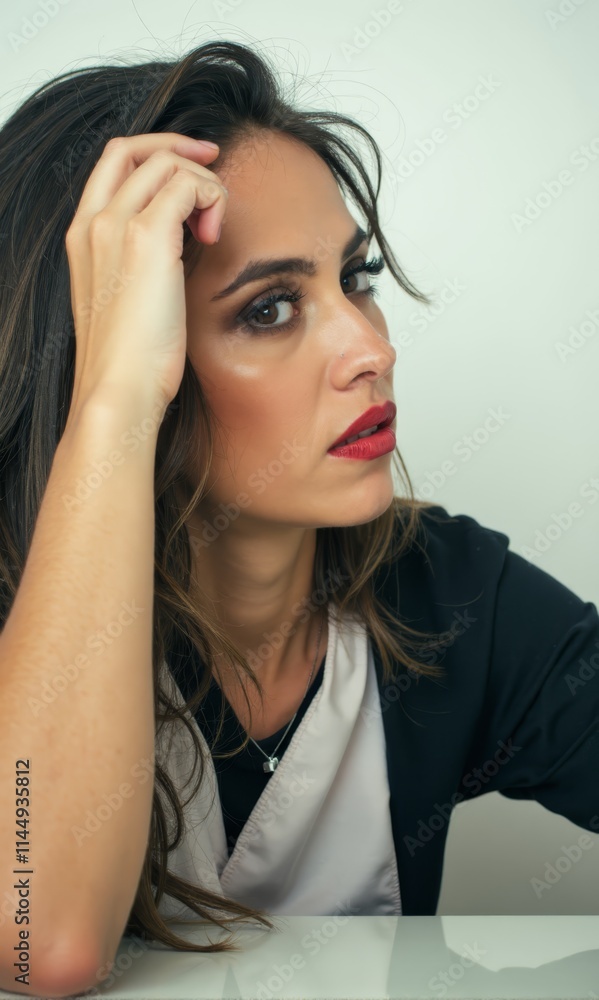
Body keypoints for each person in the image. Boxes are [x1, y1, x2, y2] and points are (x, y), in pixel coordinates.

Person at [0, 38, 597, 998]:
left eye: (352, 277)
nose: (370, 347)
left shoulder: (446, 591)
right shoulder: (19, 624)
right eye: (270, 308)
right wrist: (112, 405)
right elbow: (39, 944)